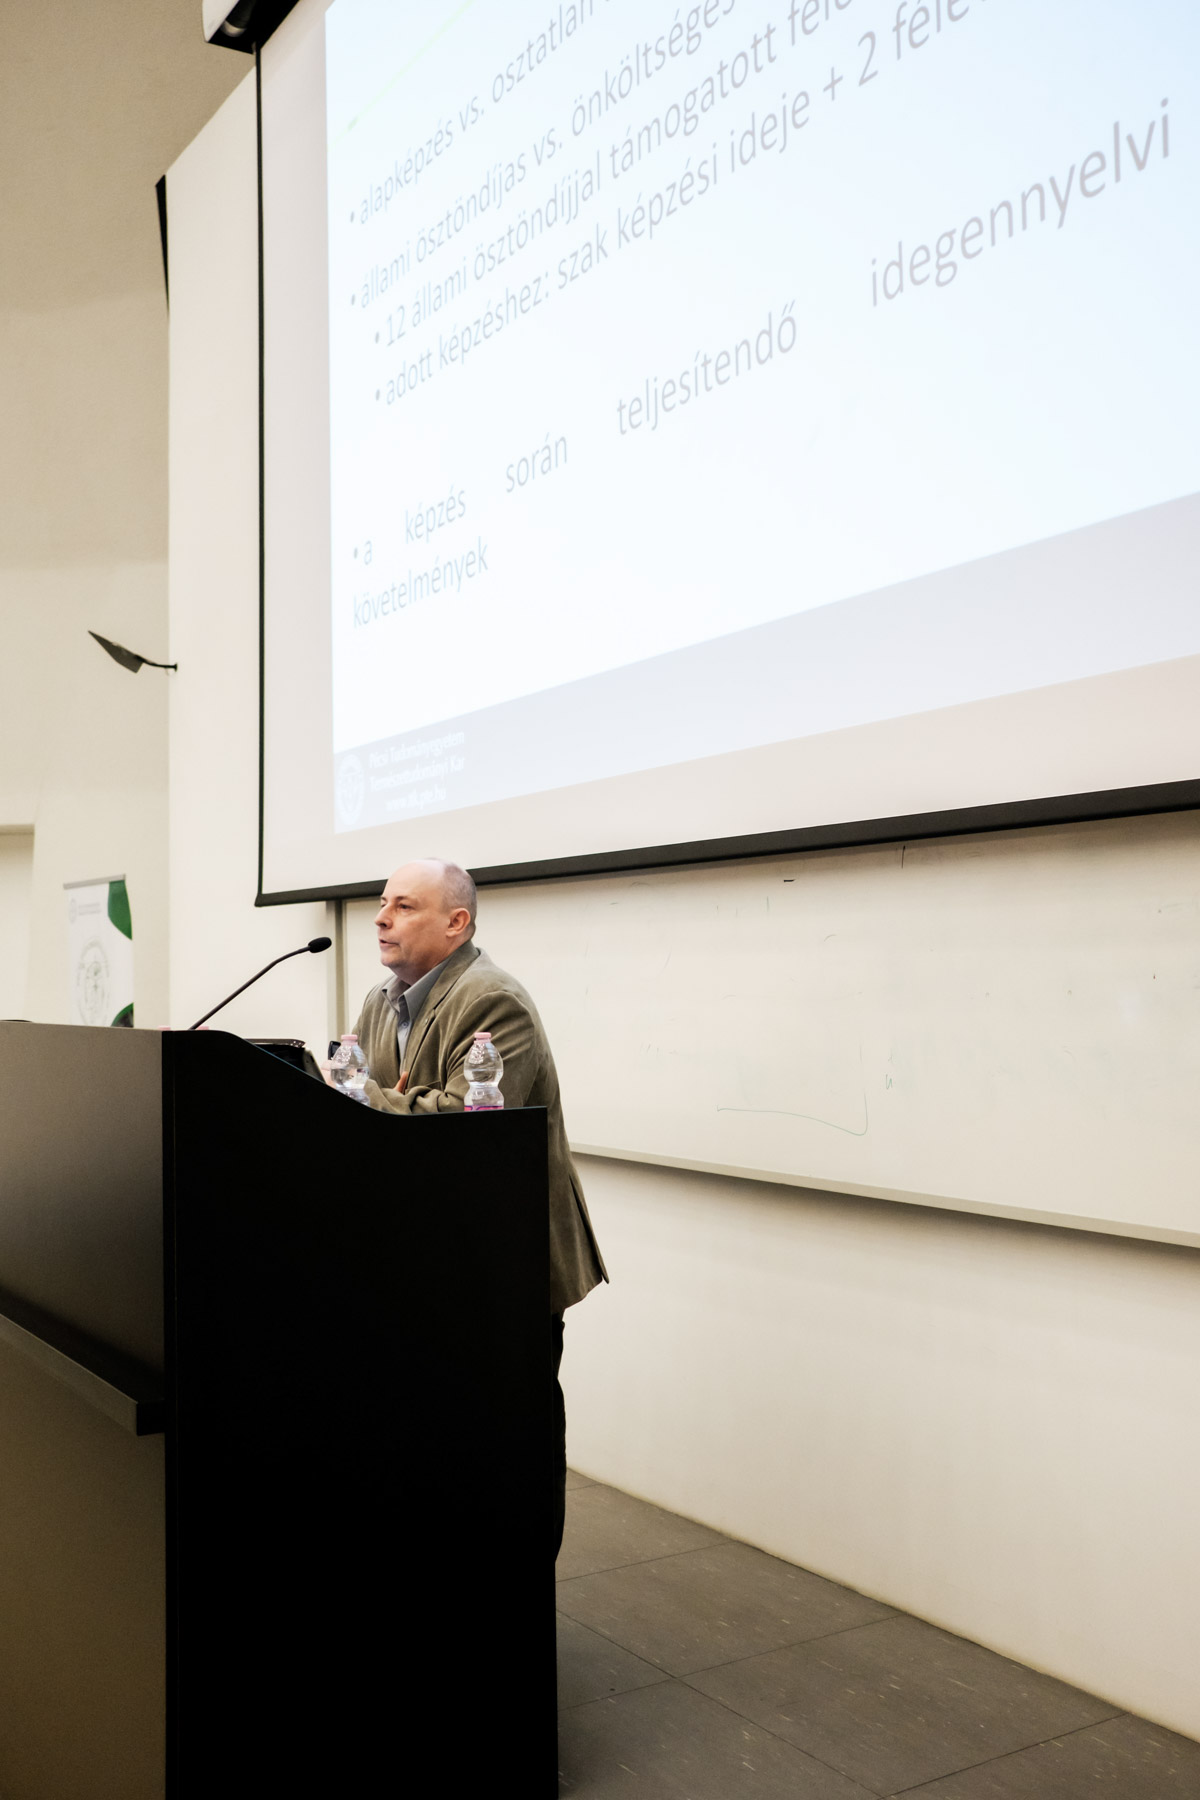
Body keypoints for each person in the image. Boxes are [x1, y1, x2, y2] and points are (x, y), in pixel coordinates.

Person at [349, 857, 607, 1555]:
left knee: (513, 1439)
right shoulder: (380, 1002)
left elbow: (467, 1121)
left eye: (403, 906)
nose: (381, 918)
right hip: (427, 1258)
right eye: (383, 903)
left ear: (456, 922)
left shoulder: (493, 1000)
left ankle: (521, 1593)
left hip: (503, 1263)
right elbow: (356, 1114)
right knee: (441, 1441)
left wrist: (363, 1096)